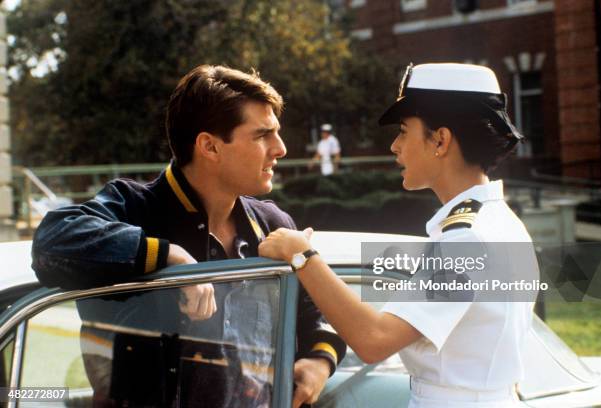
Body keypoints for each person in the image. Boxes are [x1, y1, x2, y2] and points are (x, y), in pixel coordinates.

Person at [32, 65, 345, 407]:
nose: (281, 148)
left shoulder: (273, 224)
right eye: (262, 135)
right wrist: (171, 259)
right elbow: (51, 241)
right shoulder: (135, 208)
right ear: (209, 147)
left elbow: (317, 315)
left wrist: (319, 362)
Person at [259, 63, 537, 407]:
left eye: (404, 131)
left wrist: (302, 255)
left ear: (440, 140)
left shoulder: (468, 239)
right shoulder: (497, 222)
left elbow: (374, 340)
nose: (394, 146)